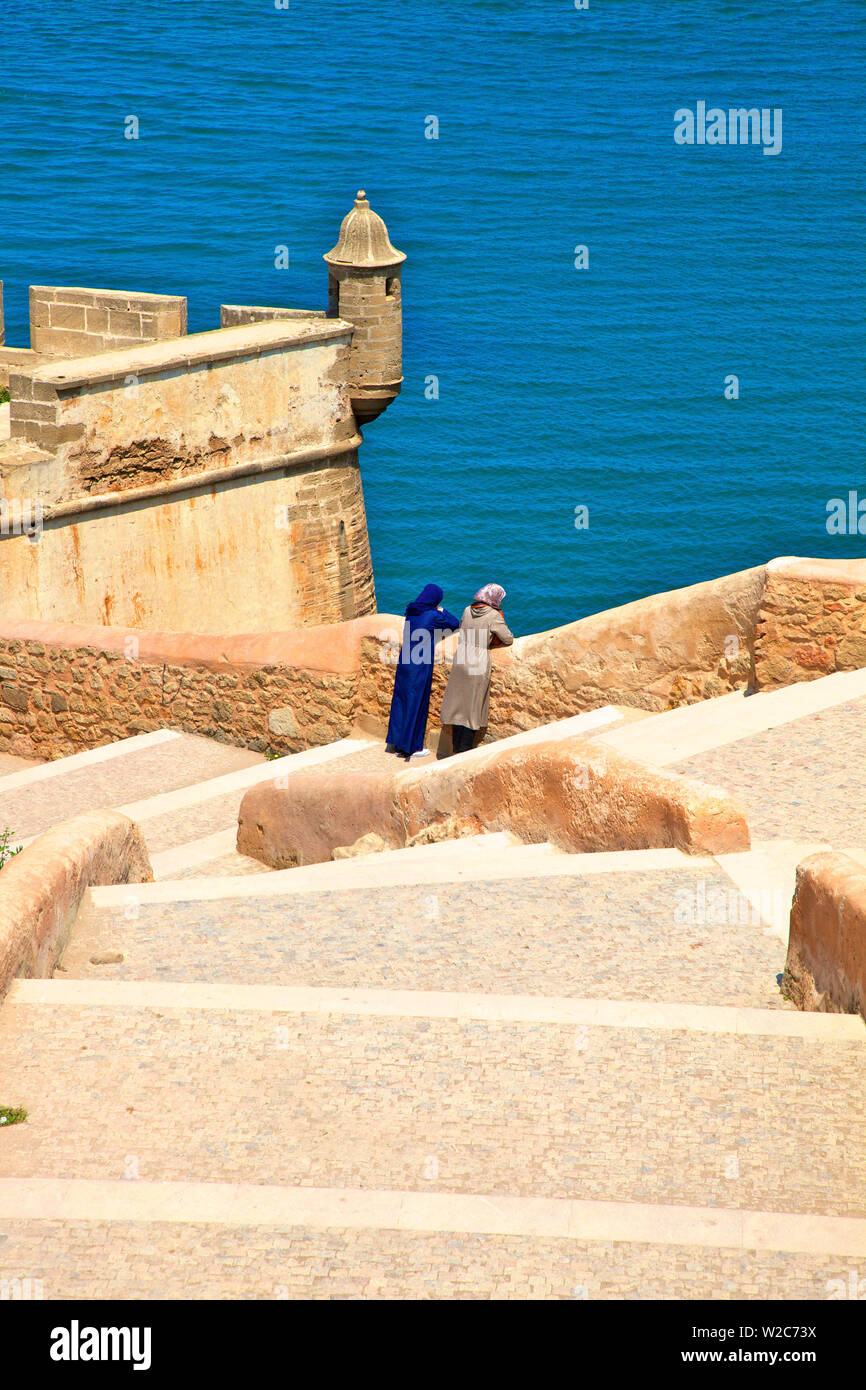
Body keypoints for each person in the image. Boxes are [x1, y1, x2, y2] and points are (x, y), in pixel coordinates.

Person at [386, 583, 460, 758]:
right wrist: (443, 611)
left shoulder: (411, 612)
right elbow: (455, 624)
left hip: (404, 663)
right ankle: (411, 748)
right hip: (419, 666)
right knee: (416, 704)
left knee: (401, 702)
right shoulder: (433, 615)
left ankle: (396, 742)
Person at [440, 583, 514, 753]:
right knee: (472, 707)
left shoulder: (467, 610)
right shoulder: (493, 615)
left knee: (459, 705)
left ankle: (456, 748)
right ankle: (464, 751)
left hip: (461, 658)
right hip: (478, 660)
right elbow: (508, 639)